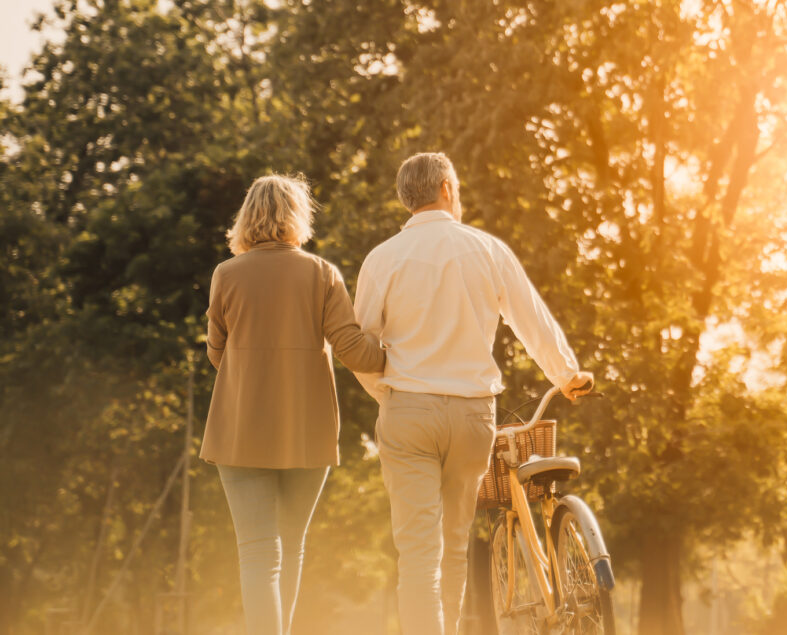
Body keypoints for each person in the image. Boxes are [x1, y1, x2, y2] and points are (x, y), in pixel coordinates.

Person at [353, 152, 593, 635]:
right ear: (446, 187)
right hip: (472, 416)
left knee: (419, 552)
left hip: (408, 412)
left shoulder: (382, 259)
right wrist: (567, 375)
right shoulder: (485, 249)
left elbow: (361, 346)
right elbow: (531, 319)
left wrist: (389, 397)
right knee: (455, 544)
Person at [202, 174, 387, 635]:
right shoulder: (321, 273)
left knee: (258, 552)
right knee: (292, 544)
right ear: (297, 217)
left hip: (240, 429)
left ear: (246, 218)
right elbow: (355, 351)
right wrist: (408, 353)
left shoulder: (226, 274)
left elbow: (215, 352)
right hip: (307, 431)